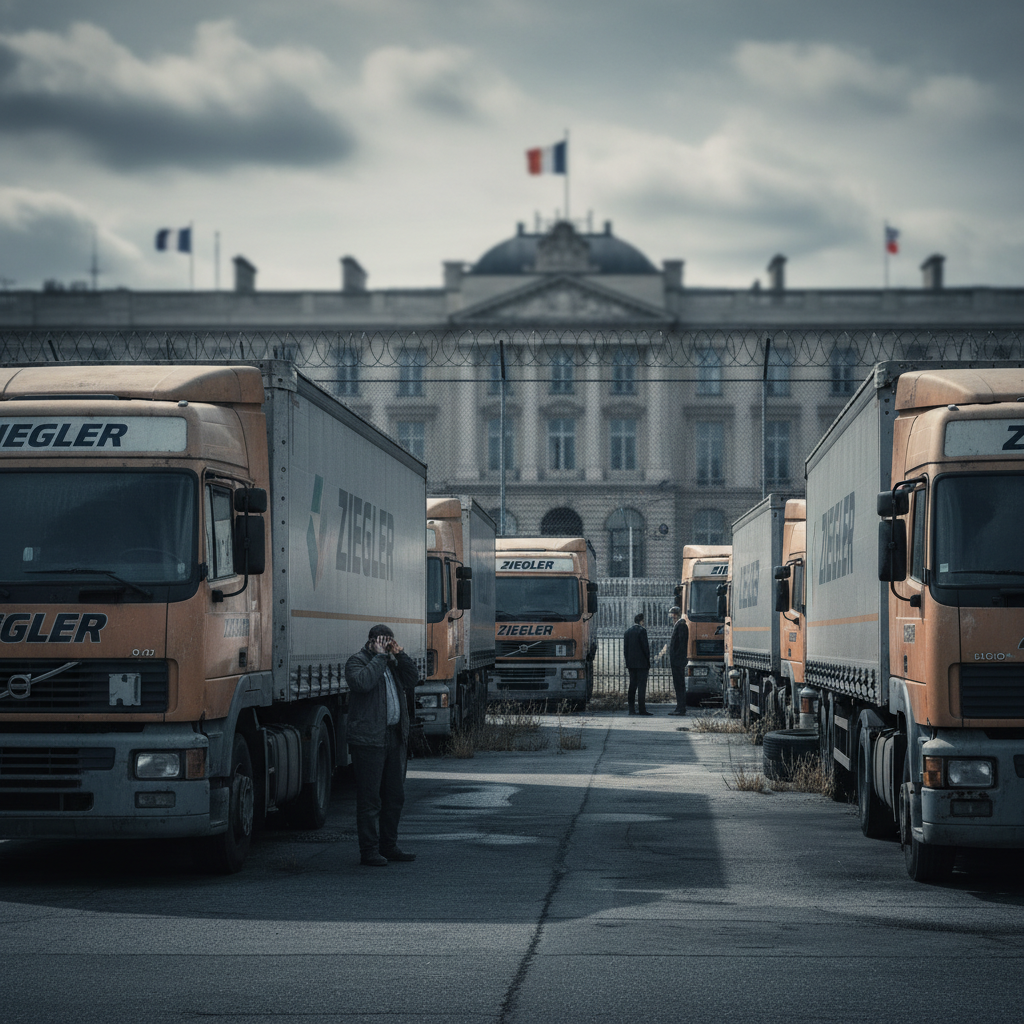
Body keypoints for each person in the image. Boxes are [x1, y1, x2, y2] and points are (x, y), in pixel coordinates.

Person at [344, 624, 419, 866]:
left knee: (395, 796)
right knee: (370, 800)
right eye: (381, 641)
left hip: (393, 738)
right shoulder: (357, 662)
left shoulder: (390, 663)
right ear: (371, 641)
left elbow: (412, 679)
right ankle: (369, 851)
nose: (385, 645)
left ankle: (389, 846)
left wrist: (400, 655)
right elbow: (362, 683)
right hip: (368, 741)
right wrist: (378, 657)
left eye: (388, 642)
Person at [659, 605, 689, 716]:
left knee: (679, 685)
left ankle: (681, 708)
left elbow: (681, 645)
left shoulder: (681, 625)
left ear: (676, 615)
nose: (672, 617)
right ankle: (679, 707)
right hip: (677, 661)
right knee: (678, 685)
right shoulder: (679, 625)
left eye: (673, 615)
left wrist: (677, 658)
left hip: (678, 661)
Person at [623, 612, 652, 716]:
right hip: (642, 664)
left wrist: (628, 662)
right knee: (641, 687)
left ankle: (631, 709)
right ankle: (642, 709)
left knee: (632, 686)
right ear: (641, 621)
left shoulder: (627, 632)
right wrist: (648, 661)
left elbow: (625, 650)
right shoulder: (642, 631)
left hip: (631, 664)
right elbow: (645, 648)